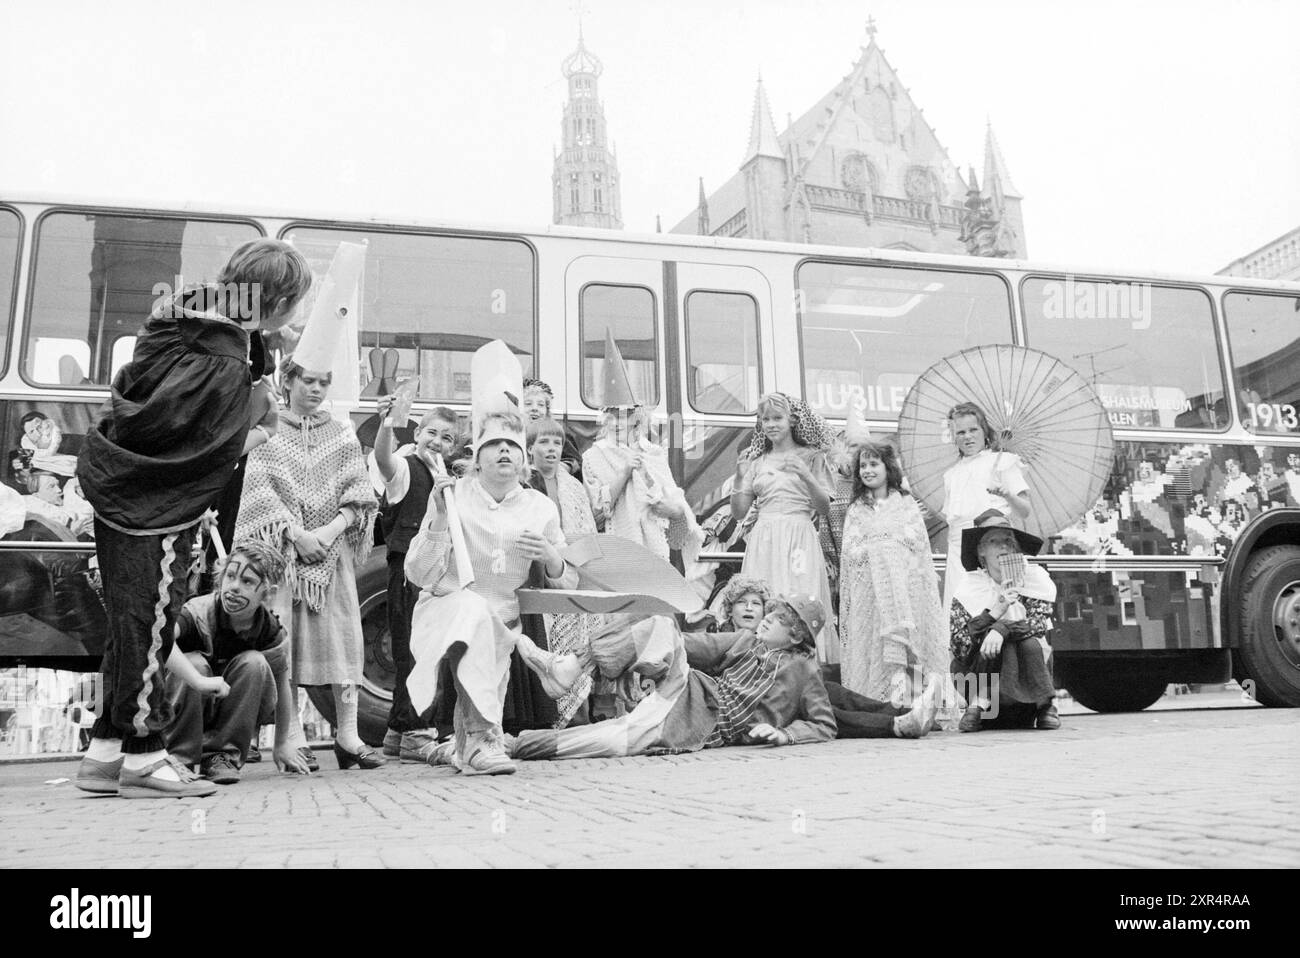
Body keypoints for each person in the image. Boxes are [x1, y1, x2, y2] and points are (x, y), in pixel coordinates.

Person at [74, 238, 308, 799]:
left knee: (131, 629)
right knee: (153, 622)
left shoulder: (182, 316)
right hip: (153, 505)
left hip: (120, 488)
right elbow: (204, 446)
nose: (294, 313)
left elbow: (160, 404)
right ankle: (145, 755)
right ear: (273, 297)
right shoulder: (221, 360)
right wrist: (255, 426)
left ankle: (105, 754)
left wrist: (261, 346)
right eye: (291, 301)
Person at [404, 409, 581, 775]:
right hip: (445, 607)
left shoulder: (541, 508)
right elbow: (418, 573)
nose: (504, 452)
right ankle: (487, 736)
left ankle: (463, 747)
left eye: (512, 446)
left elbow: (568, 582)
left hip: (502, 621)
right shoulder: (453, 496)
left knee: (483, 636)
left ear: (522, 460)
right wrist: (438, 518)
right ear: (476, 459)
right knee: (471, 608)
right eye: (494, 445)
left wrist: (550, 557)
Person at [237, 357, 380, 770]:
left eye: (323, 382)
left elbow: (359, 493)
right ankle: (292, 735)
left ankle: (348, 737)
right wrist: (297, 536)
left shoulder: (340, 433)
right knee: (289, 641)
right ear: (289, 380)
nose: (316, 389)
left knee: (342, 637)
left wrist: (327, 534)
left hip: (331, 557)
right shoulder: (270, 430)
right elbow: (261, 492)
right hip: (285, 557)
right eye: (308, 381)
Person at [511, 594, 837, 761]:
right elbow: (688, 643)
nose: (767, 619)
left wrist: (784, 735)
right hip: (688, 689)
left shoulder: (805, 670)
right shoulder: (745, 639)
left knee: (612, 740)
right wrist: (649, 659)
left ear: (796, 637)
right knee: (662, 622)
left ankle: (512, 744)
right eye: (772, 612)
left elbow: (824, 724)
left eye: (779, 619)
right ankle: (571, 666)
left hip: (695, 725)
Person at [161, 539, 313, 785]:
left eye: (247, 582)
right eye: (230, 576)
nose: (234, 587)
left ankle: (221, 755)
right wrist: (198, 680)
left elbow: (283, 685)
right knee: (195, 664)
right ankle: (180, 757)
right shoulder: (197, 613)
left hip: (231, 707)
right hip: (183, 707)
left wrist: (282, 743)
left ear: (268, 593)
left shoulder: (270, 630)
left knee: (255, 663)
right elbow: (161, 637)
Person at [716, 576, 937, 741]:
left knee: (834, 690)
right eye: (741, 602)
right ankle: (899, 721)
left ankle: (908, 711)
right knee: (832, 710)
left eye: (756, 603)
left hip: (791, 679)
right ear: (730, 608)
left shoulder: (775, 637)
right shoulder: (724, 636)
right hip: (772, 700)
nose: (749, 608)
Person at [370, 399, 460, 760]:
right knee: (417, 650)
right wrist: (387, 424)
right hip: (407, 570)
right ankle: (417, 731)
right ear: (418, 433)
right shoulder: (406, 468)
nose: (438, 442)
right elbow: (383, 459)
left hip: (430, 572)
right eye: (432, 433)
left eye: (447, 438)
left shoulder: (445, 477)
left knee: (417, 646)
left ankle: (396, 730)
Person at [730, 392, 839, 665]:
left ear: (792, 421)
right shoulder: (757, 460)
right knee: (764, 596)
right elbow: (739, 512)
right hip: (764, 538)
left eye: (777, 418)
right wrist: (741, 477)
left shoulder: (813, 457)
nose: (770, 424)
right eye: (765, 419)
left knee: (799, 595)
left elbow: (824, 507)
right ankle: (759, 665)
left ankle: (805, 666)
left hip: (799, 536)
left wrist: (804, 473)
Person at [838, 441, 948, 707]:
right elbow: (851, 551)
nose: (867, 470)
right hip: (870, 594)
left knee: (908, 646)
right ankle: (876, 703)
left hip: (904, 592)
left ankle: (914, 703)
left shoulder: (906, 503)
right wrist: (878, 547)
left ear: (888, 468)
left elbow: (916, 543)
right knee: (873, 645)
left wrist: (885, 544)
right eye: (862, 465)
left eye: (873, 464)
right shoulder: (856, 509)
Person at [581, 333, 701, 564]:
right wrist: (625, 472)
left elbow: (677, 508)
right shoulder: (593, 457)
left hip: (655, 549)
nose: (616, 423)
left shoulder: (653, 454)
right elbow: (596, 512)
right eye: (611, 417)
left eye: (623, 417)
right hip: (615, 551)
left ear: (635, 421)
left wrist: (673, 511)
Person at [949, 510, 1060, 732]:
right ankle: (983, 702)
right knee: (997, 644)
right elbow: (960, 645)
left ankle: (1044, 706)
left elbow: (1037, 628)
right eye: (993, 541)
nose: (1003, 547)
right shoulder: (969, 587)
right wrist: (995, 612)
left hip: (1026, 688)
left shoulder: (1035, 580)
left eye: (1008, 541)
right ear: (981, 550)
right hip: (977, 674)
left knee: (1026, 643)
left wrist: (1000, 629)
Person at [526, 416, 600, 727]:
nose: (551, 448)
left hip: (570, 573)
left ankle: (578, 714)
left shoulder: (572, 486)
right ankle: (549, 712)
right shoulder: (525, 483)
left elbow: (588, 532)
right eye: (544, 442)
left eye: (557, 442)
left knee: (578, 640)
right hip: (536, 572)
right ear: (530, 449)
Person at [940, 402, 1030, 617]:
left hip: (995, 550)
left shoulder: (1004, 462)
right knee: (962, 617)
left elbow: (1025, 510)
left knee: (1000, 613)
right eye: (960, 432)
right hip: (958, 554)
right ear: (954, 436)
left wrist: (1007, 494)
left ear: (984, 430)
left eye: (973, 430)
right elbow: (952, 520)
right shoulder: (951, 474)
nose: (967, 437)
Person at [521, 378, 582, 478]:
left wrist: (554, 469)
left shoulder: (559, 435)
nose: (535, 408)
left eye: (541, 405)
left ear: (547, 411)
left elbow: (575, 462)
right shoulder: (514, 435)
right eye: (528, 404)